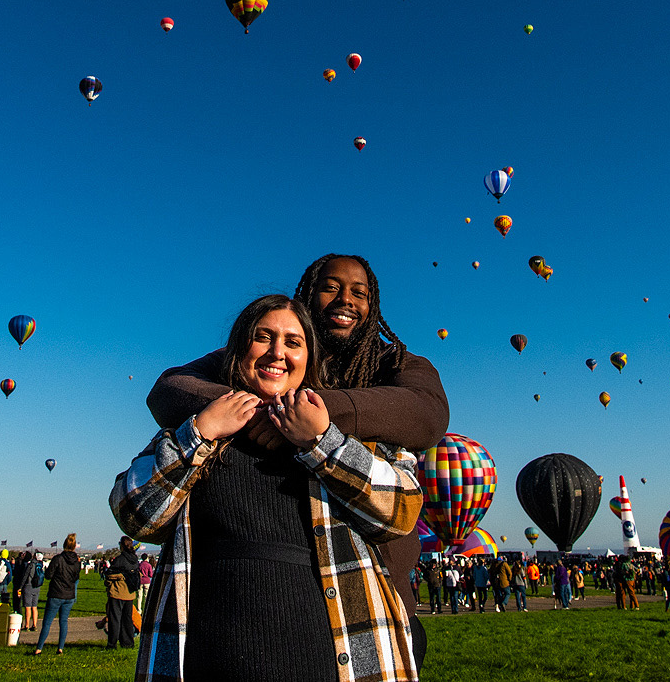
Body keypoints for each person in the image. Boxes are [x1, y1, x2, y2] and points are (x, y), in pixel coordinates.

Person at [147, 255, 449, 667]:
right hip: (252, 607)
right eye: (331, 287)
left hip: (375, 598)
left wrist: (310, 413)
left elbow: (427, 413)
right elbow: (170, 387)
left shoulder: (394, 364)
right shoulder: (270, 354)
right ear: (307, 293)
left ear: (374, 304)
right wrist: (259, 410)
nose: (346, 300)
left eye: (359, 293)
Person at [28, 534, 81, 656]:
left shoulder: (58, 559)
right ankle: (60, 647)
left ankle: (39, 647)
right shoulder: (77, 562)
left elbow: (48, 575)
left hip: (56, 593)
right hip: (69, 595)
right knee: (64, 621)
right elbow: (76, 577)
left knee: (47, 622)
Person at [102, 539, 139, 651]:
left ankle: (112, 644)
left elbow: (110, 574)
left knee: (115, 619)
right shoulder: (135, 559)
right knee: (127, 619)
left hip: (118, 592)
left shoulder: (120, 559)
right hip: (130, 593)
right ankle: (128, 642)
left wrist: (109, 582)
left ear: (122, 546)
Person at [20, 551, 44, 632]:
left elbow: (25, 576)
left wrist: (20, 587)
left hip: (28, 586)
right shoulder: (40, 565)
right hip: (37, 587)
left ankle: (26, 625)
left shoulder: (30, 565)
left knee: (28, 607)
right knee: (34, 607)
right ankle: (34, 624)